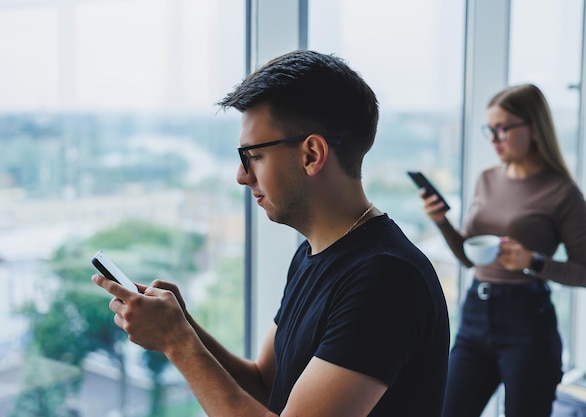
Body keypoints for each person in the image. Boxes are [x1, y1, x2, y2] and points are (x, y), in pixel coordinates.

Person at [92, 50, 450, 417]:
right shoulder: (313, 254)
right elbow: (266, 386)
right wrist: (184, 326)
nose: (242, 175)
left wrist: (177, 342)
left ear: (312, 154)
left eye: (253, 155)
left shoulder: (387, 279)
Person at [419, 83, 586, 417]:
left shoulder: (563, 192)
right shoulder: (487, 179)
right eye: (491, 129)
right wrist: (442, 222)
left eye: (503, 128)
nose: (495, 139)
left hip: (528, 322)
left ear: (533, 128)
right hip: (475, 315)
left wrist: (533, 261)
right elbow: (468, 257)